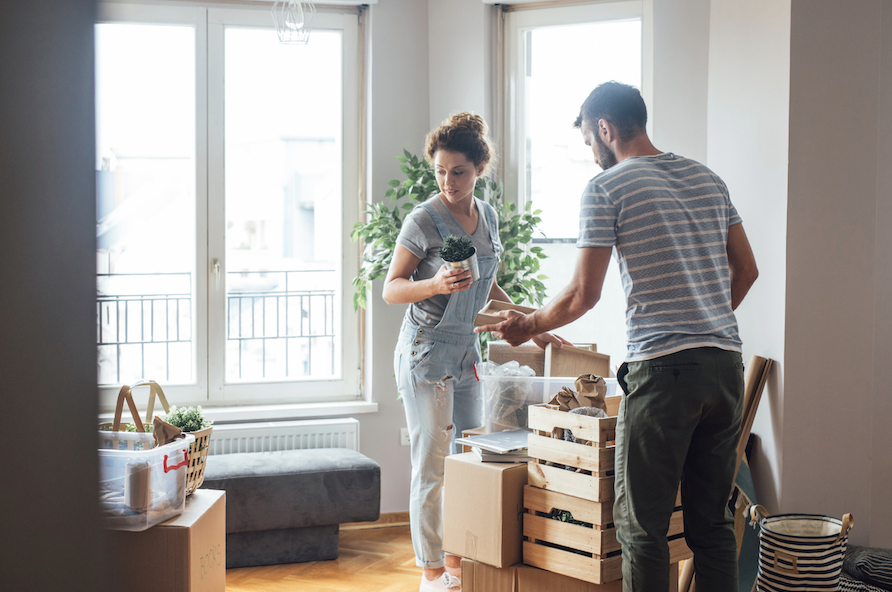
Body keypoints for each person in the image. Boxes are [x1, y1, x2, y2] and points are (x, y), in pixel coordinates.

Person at [476, 82, 759, 592]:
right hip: (724, 366)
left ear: (605, 129)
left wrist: (527, 327)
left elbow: (584, 294)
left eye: (589, 140)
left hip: (663, 372)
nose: (591, 152)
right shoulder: (708, 179)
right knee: (713, 524)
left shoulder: (607, 188)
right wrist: (704, 322)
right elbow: (748, 269)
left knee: (641, 527)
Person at [383, 112, 563, 592]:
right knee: (432, 463)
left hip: (468, 356)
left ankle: (458, 564)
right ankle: (430, 573)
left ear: (480, 167)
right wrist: (434, 282)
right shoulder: (423, 218)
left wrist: (536, 325)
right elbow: (391, 288)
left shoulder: (489, 215)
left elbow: (489, 287)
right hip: (426, 357)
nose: (447, 181)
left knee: (469, 458)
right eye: (439, 171)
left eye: (458, 172)